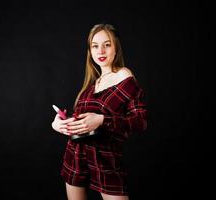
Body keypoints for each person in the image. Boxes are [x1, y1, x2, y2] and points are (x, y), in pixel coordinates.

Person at [51, 23, 147, 200]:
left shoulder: (124, 77)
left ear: (116, 47)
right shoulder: (91, 86)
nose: (100, 51)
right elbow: (83, 123)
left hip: (106, 162)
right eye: (95, 46)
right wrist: (60, 124)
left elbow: (140, 122)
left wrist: (103, 120)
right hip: (75, 159)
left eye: (107, 44)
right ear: (90, 51)